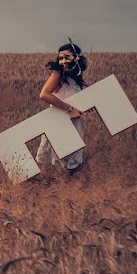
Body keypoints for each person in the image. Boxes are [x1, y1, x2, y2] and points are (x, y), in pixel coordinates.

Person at [36, 39, 89, 174]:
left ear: (77, 58)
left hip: (72, 122)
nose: (63, 61)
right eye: (60, 58)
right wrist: (69, 109)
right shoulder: (58, 74)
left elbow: (71, 99)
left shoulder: (74, 77)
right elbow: (44, 94)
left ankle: (70, 191)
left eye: (67, 57)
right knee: (58, 165)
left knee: (72, 165)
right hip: (59, 121)